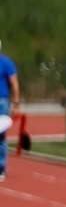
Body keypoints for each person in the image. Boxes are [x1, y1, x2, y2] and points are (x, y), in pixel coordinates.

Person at [0, 39, 19, 183]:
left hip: (2, 102)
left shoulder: (6, 63)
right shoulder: (7, 62)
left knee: (1, 136)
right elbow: (14, 83)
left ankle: (1, 167)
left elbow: (13, 82)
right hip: (3, 101)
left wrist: (16, 102)